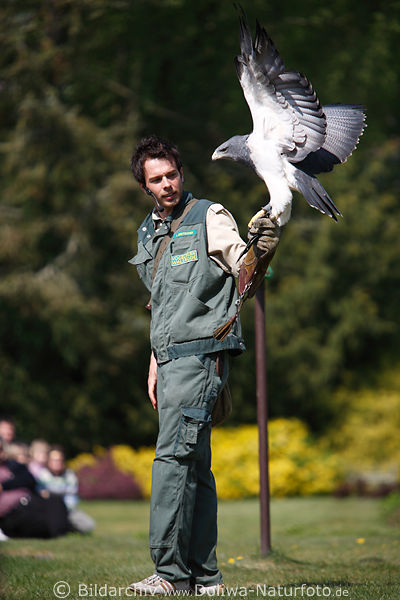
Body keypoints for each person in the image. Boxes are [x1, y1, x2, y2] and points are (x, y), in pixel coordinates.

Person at [128, 136, 280, 595]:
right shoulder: (148, 232)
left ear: (180, 172)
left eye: (171, 174)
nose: (167, 184)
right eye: (157, 179)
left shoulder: (209, 217)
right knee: (193, 464)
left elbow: (246, 273)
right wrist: (155, 361)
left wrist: (263, 248)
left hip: (200, 358)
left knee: (172, 460)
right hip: (170, 361)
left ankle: (170, 576)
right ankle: (204, 577)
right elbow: (160, 305)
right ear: (145, 186)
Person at [0, 436, 70, 539]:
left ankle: (60, 532)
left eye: (1, 449)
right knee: (41, 522)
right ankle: (57, 532)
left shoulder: (11, 465)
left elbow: (29, 479)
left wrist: (4, 485)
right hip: (12, 512)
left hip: (29, 501)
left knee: (55, 500)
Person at [37, 445, 95, 534]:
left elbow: (72, 497)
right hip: (48, 511)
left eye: (60, 460)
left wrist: (52, 494)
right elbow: (40, 495)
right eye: (54, 460)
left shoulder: (69, 475)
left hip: (67, 511)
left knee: (89, 525)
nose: (57, 462)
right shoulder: (42, 476)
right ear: (48, 461)